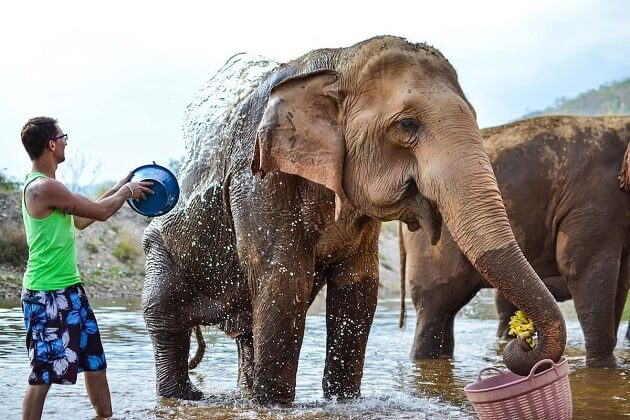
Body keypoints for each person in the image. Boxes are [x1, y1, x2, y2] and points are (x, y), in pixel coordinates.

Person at [19, 116, 153, 419]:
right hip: (45, 294)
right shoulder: (43, 188)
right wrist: (128, 192)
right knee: (42, 374)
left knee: (95, 363)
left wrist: (120, 185)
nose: (67, 141)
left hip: (71, 290)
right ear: (52, 144)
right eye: (63, 136)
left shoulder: (53, 187)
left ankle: (104, 415)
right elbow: (103, 213)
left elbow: (82, 218)